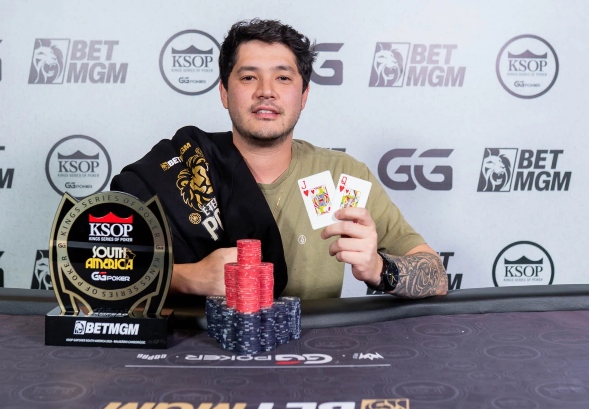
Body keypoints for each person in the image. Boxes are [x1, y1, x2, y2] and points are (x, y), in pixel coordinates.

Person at [112, 19, 447, 300]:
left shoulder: (341, 176)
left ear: (304, 95)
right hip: (195, 351)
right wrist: (187, 277)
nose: (266, 91)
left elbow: (436, 276)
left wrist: (379, 269)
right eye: (248, 77)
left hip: (313, 352)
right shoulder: (183, 165)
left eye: (283, 78)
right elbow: (100, 270)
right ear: (224, 93)